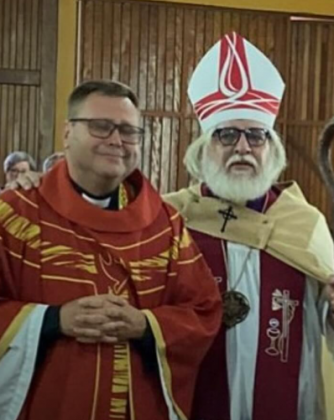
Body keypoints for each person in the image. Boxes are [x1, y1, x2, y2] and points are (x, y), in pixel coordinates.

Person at [0, 80, 222, 420]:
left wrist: (146, 325)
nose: (116, 140)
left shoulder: (165, 226)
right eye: (101, 127)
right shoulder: (14, 217)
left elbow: (204, 309)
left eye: (129, 131)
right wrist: (52, 320)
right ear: (67, 133)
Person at [164, 33, 334, 420]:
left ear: (272, 151)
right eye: (227, 134)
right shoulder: (170, 220)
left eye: (256, 135)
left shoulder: (304, 226)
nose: (242, 147)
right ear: (202, 149)